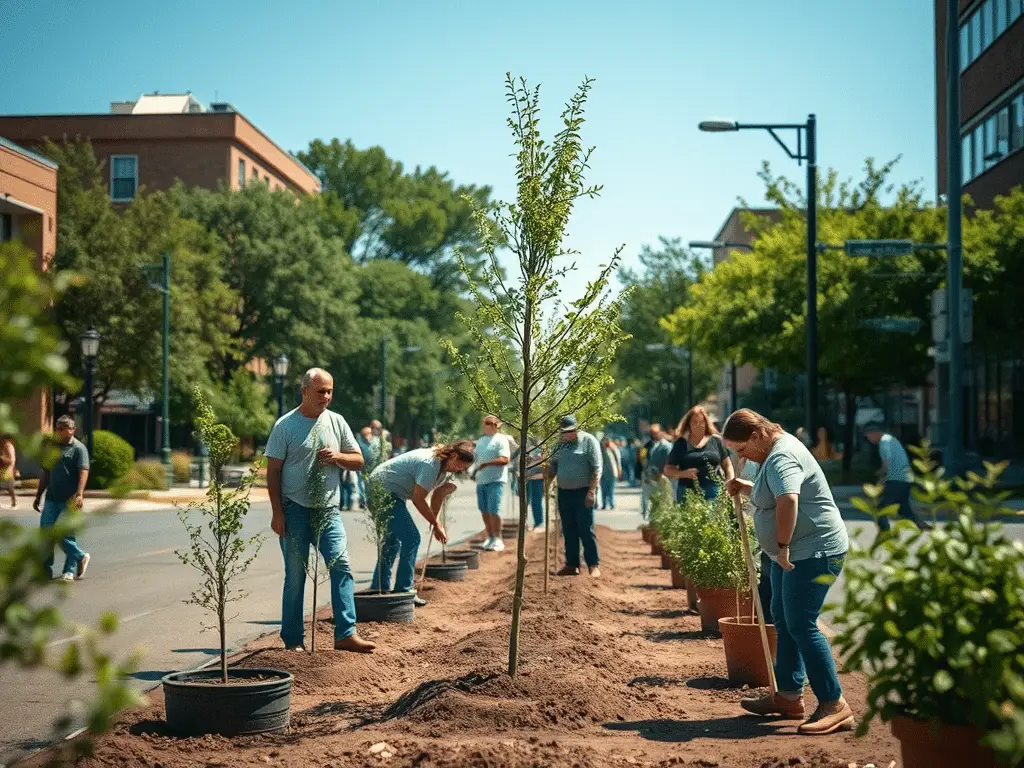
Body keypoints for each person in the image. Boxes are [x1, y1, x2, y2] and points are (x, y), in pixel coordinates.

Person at [723, 408, 853, 735]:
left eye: (741, 450)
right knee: (782, 617)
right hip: (792, 552)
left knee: (801, 623)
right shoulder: (769, 454)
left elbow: (788, 501)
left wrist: (782, 548)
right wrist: (747, 485)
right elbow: (773, 494)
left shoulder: (782, 457)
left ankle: (834, 704)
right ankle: (790, 696)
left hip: (812, 551)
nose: (741, 456)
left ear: (756, 436)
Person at [266, 368, 375, 654]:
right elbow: (273, 472)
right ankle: (293, 640)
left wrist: (338, 457)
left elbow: (359, 460)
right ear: (304, 391)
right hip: (294, 510)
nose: (326, 397)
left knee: (342, 566)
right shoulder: (285, 426)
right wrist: (278, 513)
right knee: (296, 576)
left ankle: (346, 633)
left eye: (329, 391)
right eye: (320, 391)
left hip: (328, 511)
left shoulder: (337, 422)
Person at [370, 440, 473, 604]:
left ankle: (379, 586)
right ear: (453, 456)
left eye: (464, 468)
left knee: (393, 539)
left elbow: (436, 496)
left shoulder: (443, 468)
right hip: (382, 489)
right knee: (412, 538)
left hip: (393, 493)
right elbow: (418, 499)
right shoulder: (430, 464)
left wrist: (436, 523)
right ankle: (403, 590)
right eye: (460, 465)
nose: (461, 469)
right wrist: (436, 525)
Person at [33, 415, 90, 582]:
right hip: (51, 498)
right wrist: (38, 495)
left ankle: (70, 570)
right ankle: (46, 570)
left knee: (65, 534)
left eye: (62, 428)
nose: (58, 431)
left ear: (72, 430)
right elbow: (46, 472)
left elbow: (83, 472)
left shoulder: (79, 449)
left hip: (70, 499)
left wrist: (79, 493)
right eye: (57, 428)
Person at [549, 415, 602, 577]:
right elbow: (553, 465)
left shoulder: (588, 441)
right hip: (564, 492)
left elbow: (596, 468)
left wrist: (592, 492)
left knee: (586, 529)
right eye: (566, 432)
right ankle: (572, 564)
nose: (570, 434)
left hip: (583, 492)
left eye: (573, 431)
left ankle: (593, 565)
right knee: (568, 530)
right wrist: (547, 482)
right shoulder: (558, 445)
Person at [863, 423, 928, 533]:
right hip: (906, 479)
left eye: (869, 437)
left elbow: (887, 464)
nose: (869, 440)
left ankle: (885, 533)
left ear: (875, 433)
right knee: (904, 509)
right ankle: (923, 525)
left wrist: (881, 478)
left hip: (896, 479)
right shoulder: (891, 439)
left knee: (881, 509)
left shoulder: (884, 442)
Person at [664, 406, 735, 502]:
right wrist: (683, 473)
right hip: (688, 493)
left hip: (714, 490)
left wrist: (729, 482)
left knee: (713, 516)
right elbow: (667, 470)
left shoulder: (716, 441)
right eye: (694, 422)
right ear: (688, 425)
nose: (698, 425)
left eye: (701, 422)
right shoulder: (681, 444)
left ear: (706, 423)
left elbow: (728, 465)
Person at [471, 415, 512, 551]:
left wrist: (487, 463)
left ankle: (498, 538)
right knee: (484, 511)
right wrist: (473, 471)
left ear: (495, 426)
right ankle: (490, 537)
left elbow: (505, 459)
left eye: (489, 423)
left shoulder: (501, 440)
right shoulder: (481, 441)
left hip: (496, 480)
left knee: (494, 510)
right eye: (484, 423)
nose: (486, 425)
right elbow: (475, 458)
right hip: (481, 481)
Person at [640, 423, 672, 519]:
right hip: (649, 477)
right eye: (652, 433)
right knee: (648, 500)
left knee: (661, 501)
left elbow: (669, 461)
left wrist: (662, 473)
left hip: (661, 478)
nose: (654, 435)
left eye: (656, 433)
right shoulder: (647, 445)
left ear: (661, 432)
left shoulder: (667, 446)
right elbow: (642, 457)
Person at [599, 437, 621, 510]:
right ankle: (604, 504)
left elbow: (618, 461)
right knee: (603, 490)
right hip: (603, 473)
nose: (605, 443)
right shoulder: (601, 450)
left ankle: (611, 504)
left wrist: (619, 471)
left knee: (611, 490)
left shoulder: (613, 449)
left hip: (612, 473)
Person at [1, 434, 16, 508]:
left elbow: (10, 459)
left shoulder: (8, 446)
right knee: (10, 487)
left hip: (7, 468)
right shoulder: (9, 446)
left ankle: (14, 501)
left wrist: (2, 458)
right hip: (8, 469)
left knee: (9, 486)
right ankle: (14, 502)